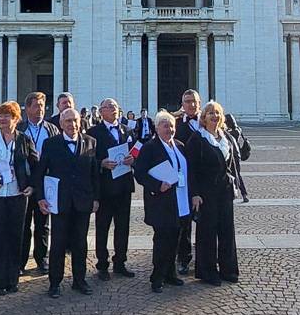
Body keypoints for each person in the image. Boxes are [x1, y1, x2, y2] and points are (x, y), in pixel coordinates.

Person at [36, 108, 99, 298]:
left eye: (75, 120)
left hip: (82, 202)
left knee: (80, 243)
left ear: (81, 122)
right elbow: (40, 173)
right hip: (59, 202)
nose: (72, 124)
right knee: (58, 244)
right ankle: (55, 282)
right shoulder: (50, 144)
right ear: (61, 124)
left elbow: (94, 173)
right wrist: (40, 198)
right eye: (68, 121)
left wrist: (96, 198)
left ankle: (80, 280)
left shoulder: (90, 142)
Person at [0, 101, 38, 295]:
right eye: (0, 116)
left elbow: (35, 164)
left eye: (7, 116)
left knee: (15, 237)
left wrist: (32, 186)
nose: (3, 119)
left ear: (16, 119)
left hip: (16, 195)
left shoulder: (24, 139)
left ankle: (12, 279)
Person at [133, 111, 189, 293]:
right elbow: (139, 173)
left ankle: (170, 273)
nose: (169, 129)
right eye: (165, 125)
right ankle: (157, 277)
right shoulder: (150, 147)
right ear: (157, 128)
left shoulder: (180, 146)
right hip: (161, 202)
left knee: (175, 238)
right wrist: (157, 185)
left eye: (171, 125)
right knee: (162, 240)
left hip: (180, 201)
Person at [186, 101, 240, 286]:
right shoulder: (197, 139)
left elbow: (232, 164)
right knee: (207, 232)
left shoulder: (225, 137)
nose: (214, 116)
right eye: (210, 113)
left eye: (217, 113)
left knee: (227, 230)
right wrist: (195, 194)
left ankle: (228, 269)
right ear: (204, 118)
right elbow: (191, 170)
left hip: (224, 191)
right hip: (206, 192)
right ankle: (207, 271)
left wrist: (235, 183)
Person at [87, 98, 136, 280]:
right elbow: (89, 159)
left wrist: (134, 160)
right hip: (105, 187)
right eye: (109, 107)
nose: (113, 109)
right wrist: (102, 163)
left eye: (115, 107)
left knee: (123, 226)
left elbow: (136, 151)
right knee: (103, 226)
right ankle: (102, 264)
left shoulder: (128, 130)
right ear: (101, 112)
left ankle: (120, 261)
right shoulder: (93, 133)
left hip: (124, 185)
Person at [17, 92, 60, 275]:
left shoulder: (52, 129)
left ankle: (41, 259)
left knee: (43, 224)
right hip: (25, 183)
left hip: (45, 182)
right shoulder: (19, 128)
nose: (40, 110)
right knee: (23, 224)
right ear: (27, 108)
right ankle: (20, 261)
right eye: (36, 106)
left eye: (42, 106)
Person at [174, 89, 202, 274]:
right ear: (182, 105)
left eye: (194, 101)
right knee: (183, 223)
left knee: (206, 222)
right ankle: (183, 258)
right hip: (184, 180)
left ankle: (206, 259)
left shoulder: (209, 121)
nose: (191, 104)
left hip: (205, 179)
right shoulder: (175, 124)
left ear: (199, 103)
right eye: (187, 101)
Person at [225, 113, 250, 202]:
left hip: (233, 155)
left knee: (236, 174)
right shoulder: (238, 129)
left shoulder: (233, 132)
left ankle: (241, 193)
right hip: (236, 155)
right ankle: (243, 194)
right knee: (237, 174)